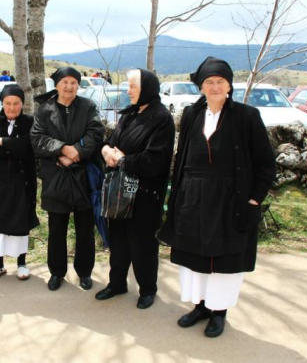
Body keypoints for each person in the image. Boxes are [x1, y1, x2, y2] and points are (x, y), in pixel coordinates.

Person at [159, 57, 276, 337]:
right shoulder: (190, 114)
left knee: (225, 259)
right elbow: (182, 156)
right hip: (192, 198)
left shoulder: (247, 116)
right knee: (194, 256)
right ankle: (200, 306)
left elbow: (266, 163)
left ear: (229, 86)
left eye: (220, 82)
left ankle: (219, 312)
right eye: (209, 82)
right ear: (201, 86)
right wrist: (177, 197)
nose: (214, 87)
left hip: (230, 200)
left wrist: (254, 200)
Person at [95, 69, 175, 309]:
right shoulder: (130, 114)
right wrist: (106, 151)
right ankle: (117, 283)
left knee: (142, 244)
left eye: (132, 86)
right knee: (118, 240)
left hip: (145, 193)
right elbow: (113, 143)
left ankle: (148, 289)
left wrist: (122, 160)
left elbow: (156, 160)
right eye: (128, 86)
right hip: (120, 192)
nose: (128, 91)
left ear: (147, 88)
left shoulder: (161, 117)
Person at [30, 66, 104, 291]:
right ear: (57, 84)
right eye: (65, 82)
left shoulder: (87, 106)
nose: (69, 87)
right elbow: (37, 139)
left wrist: (76, 154)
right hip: (55, 176)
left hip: (83, 177)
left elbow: (96, 133)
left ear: (78, 85)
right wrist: (62, 149)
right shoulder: (45, 109)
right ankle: (57, 272)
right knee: (57, 229)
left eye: (73, 82)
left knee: (84, 229)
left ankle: (84, 272)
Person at [0, 84, 39, 281]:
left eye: (16, 103)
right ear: (2, 104)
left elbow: (28, 148)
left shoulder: (30, 122)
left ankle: (21, 263)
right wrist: (12, 146)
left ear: (22, 104)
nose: (12, 108)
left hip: (21, 181)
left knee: (20, 223)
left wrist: (2, 142)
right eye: (8, 104)